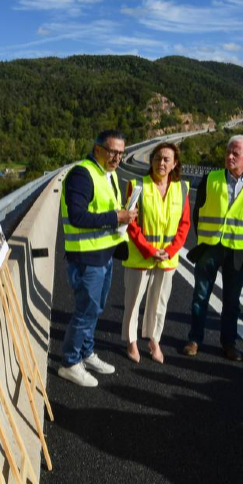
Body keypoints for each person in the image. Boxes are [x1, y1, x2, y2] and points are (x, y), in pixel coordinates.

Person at [58, 130, 138, 387]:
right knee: (85, 311)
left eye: (120, 153)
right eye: (112, 151)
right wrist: (117, 217)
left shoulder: (109, 174)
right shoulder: (82, 175)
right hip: (86, 256)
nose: (116, 157)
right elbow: (78, 216)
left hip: (103, 254)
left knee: (96, 309)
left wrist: (123, 215)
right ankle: (70, 362)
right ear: (98, 149)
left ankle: (86, 352)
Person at [183, 135, 243, 361]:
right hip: (210, 246)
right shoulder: (210, 177)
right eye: (228, 152)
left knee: (232, 301)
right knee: (200, 295)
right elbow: (198, 211)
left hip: (239, 251)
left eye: (235, 153)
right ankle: (194, 339)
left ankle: (229, 343)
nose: (229, 157)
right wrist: (204, 238)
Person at [122, 142, 190, 364]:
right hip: (141, 257)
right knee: (133, 302)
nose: (161, 162)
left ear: (174, 164)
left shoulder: (182, 189)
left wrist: (169, 251)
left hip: (167, 259)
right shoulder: (137, 185)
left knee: (159, 303)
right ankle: (132, 341)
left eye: (166, 159)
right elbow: (131, 223)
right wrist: (149, 250)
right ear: (151, 160)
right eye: (157, 158)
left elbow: (184, 224)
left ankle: (154, 340)